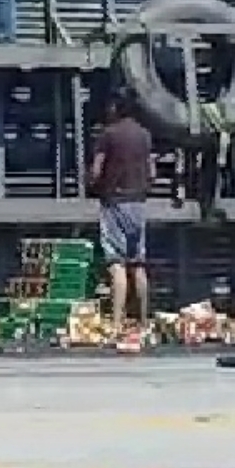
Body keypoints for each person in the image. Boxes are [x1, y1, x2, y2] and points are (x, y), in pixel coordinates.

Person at [89, 91, 154, 339]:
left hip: (114, 201)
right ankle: (144, 321)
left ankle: (117, 322)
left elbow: (96, 170)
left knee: (116, 263)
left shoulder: (108, 135)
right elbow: (152, 172)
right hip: (138, 202)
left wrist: (91, 184)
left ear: (116, 108)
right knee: (138, 263)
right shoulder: (144, 135)